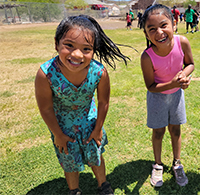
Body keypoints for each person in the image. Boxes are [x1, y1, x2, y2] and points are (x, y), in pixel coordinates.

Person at [35, 15, 130, 195]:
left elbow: (103, 102)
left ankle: (103, 184)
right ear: (57, 43)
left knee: (96, 155)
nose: (77, 54)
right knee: (69, 160)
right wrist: (58, 134)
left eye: (86, 49)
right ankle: (74, 190)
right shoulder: (45, 74)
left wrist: (98, 128)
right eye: (69, 45)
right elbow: (46, 108)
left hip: (90, 123)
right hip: (62, 127)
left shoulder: (99, 72)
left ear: (94, 50)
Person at [140, 4, 194, 188]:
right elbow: (151, 86)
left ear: (174, 24)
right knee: (159, 131)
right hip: (157, 98)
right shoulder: (147, 57)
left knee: (176, 130)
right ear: (146, 34)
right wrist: (172, 83)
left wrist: (184, 75)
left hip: (177, 96)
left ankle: (177, 163)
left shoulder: (182, 42)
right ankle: (158, 164)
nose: (159, 32)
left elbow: (190, 64)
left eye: (164, 25)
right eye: (152, 29)